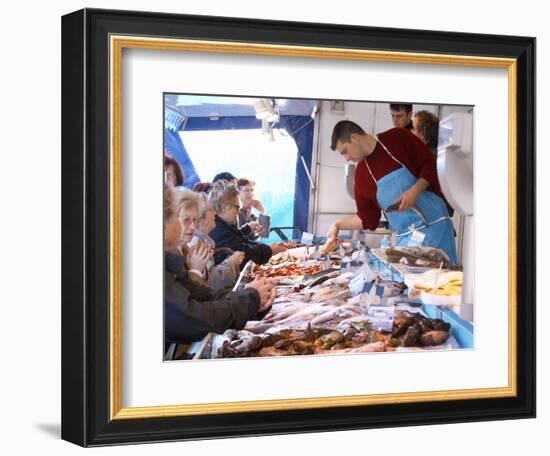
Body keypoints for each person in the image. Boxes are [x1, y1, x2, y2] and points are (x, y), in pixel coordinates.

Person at [327, 120, 457, 263]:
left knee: (443, 282)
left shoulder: (398, 138)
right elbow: (367, 219)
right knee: (412, 284)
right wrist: (338, 224)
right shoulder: (361, 175)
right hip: (408, 243)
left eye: (345, 151)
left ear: (355, 138)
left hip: (436, 229)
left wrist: (415, 190)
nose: (346, 158)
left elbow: (430, 164)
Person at [164, 185, 276, 349]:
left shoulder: (171, 260)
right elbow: (192, 317)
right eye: (184, 220)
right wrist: (249, 299)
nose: (192, 227)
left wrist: (249, 298)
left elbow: (201, 294)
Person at [208, 181, 287, 268]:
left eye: (252, 190)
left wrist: (267, 248)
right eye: (237, 207)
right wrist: (268, 249)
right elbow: (243, 251)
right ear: (224, 208)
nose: (238, 212)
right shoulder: (217, 229)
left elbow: (240, 240)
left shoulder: (223, 224)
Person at [187, 193, 245, 290]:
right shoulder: (195, 244)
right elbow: (210, 283)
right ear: (200, 218)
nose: (214, 212)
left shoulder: (202, 240)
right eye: (210, 209)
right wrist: (230, 263)